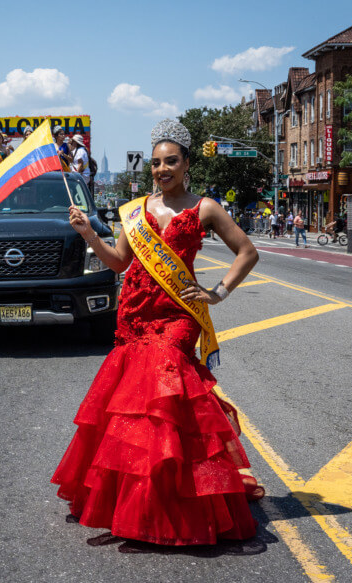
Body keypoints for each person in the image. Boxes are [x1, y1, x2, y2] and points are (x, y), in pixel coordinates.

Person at [56, 119, 264, 546]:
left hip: (177, 315)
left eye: (171, 161)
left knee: (166, 395)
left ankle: (179, 502)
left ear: (187, 164)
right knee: (135, 406)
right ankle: (141, 499)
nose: (162, 169)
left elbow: (248, 251)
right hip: (135, 312)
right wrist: (87, 232)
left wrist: (218, 292)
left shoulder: (205, 207)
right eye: (155, 163)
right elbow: (118, 263)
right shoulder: (134, 211)